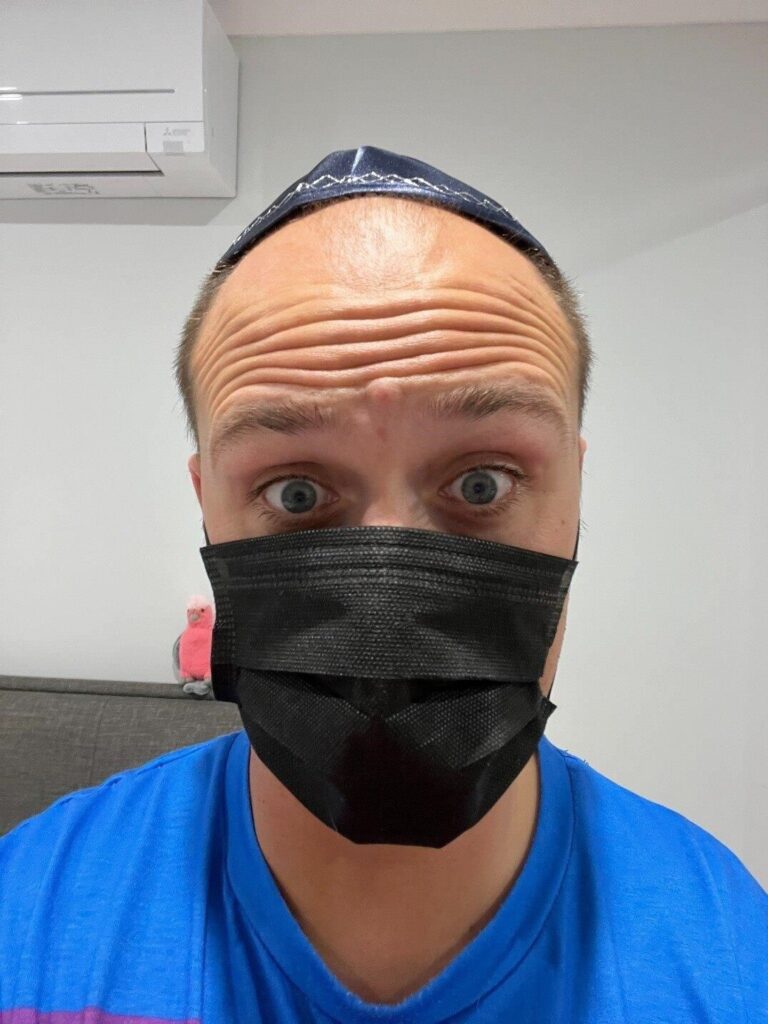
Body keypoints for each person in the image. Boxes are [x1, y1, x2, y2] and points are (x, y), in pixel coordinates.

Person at [1, 146, 765, 1023]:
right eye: (295, 492)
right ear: (206, 507)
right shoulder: (26, 926)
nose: (388, 600)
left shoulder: (735, 965)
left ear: (575, 494)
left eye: (482, 482)